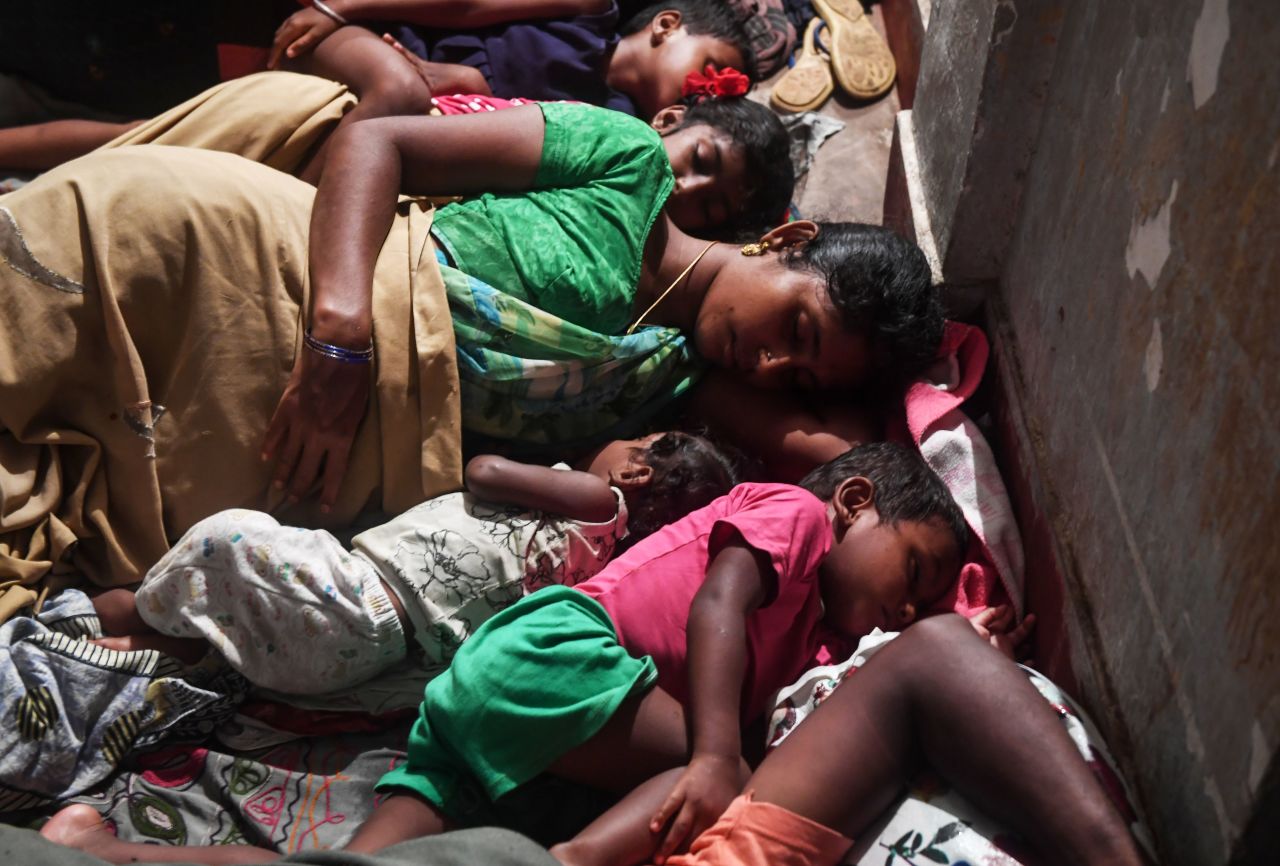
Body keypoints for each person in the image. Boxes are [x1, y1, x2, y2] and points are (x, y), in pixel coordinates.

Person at [0, 93, 938, 619]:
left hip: (274, 432)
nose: (773, 365)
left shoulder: (677, 383)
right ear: (788, 239)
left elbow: (853, 457)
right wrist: (339, 333)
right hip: (257, 273)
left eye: (802, 375)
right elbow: (381, 140)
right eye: (798, 330)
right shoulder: (624, 163)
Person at [37, 442, 965, 864]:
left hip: (504, 703)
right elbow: (718, 605)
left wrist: (949, 630)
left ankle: (100, 851)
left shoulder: (825, 637)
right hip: (563, 655)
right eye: (916, 569)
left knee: (359, 865)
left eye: (924, 604)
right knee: (729, 768)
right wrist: (718, 753)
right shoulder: (792, 518)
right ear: (853, 503)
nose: (911, 603)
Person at [88, 431, 737, 697]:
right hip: (354, 658)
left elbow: (483, 473)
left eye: (634, 438)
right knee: (218, 631)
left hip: (352, 592)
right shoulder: (590, 570)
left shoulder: (599, 498)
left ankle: (106, 611)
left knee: (229, 538)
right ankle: (121, 641)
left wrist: (531, 467)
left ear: (636, 468)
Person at [0, 70, 793, 240]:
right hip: (313, 138)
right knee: (118, 153)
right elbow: (408, 114)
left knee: (106, 188)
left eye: (708, 206)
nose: (684, 187)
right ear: (670, 118)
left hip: (324, 181)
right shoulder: (598, 139)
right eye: (701, 160)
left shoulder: (596, 223)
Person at [269, 1, 756, 128]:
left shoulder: (614, 122)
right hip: (375, 39)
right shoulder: (588, 10)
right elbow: (466, 4)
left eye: (711, 98)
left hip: (422, 116)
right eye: (711, 68)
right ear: (667, 25)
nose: (701, 91)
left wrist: (471, 84)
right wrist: (343, 8)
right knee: (398, 89)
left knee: (402, 97)